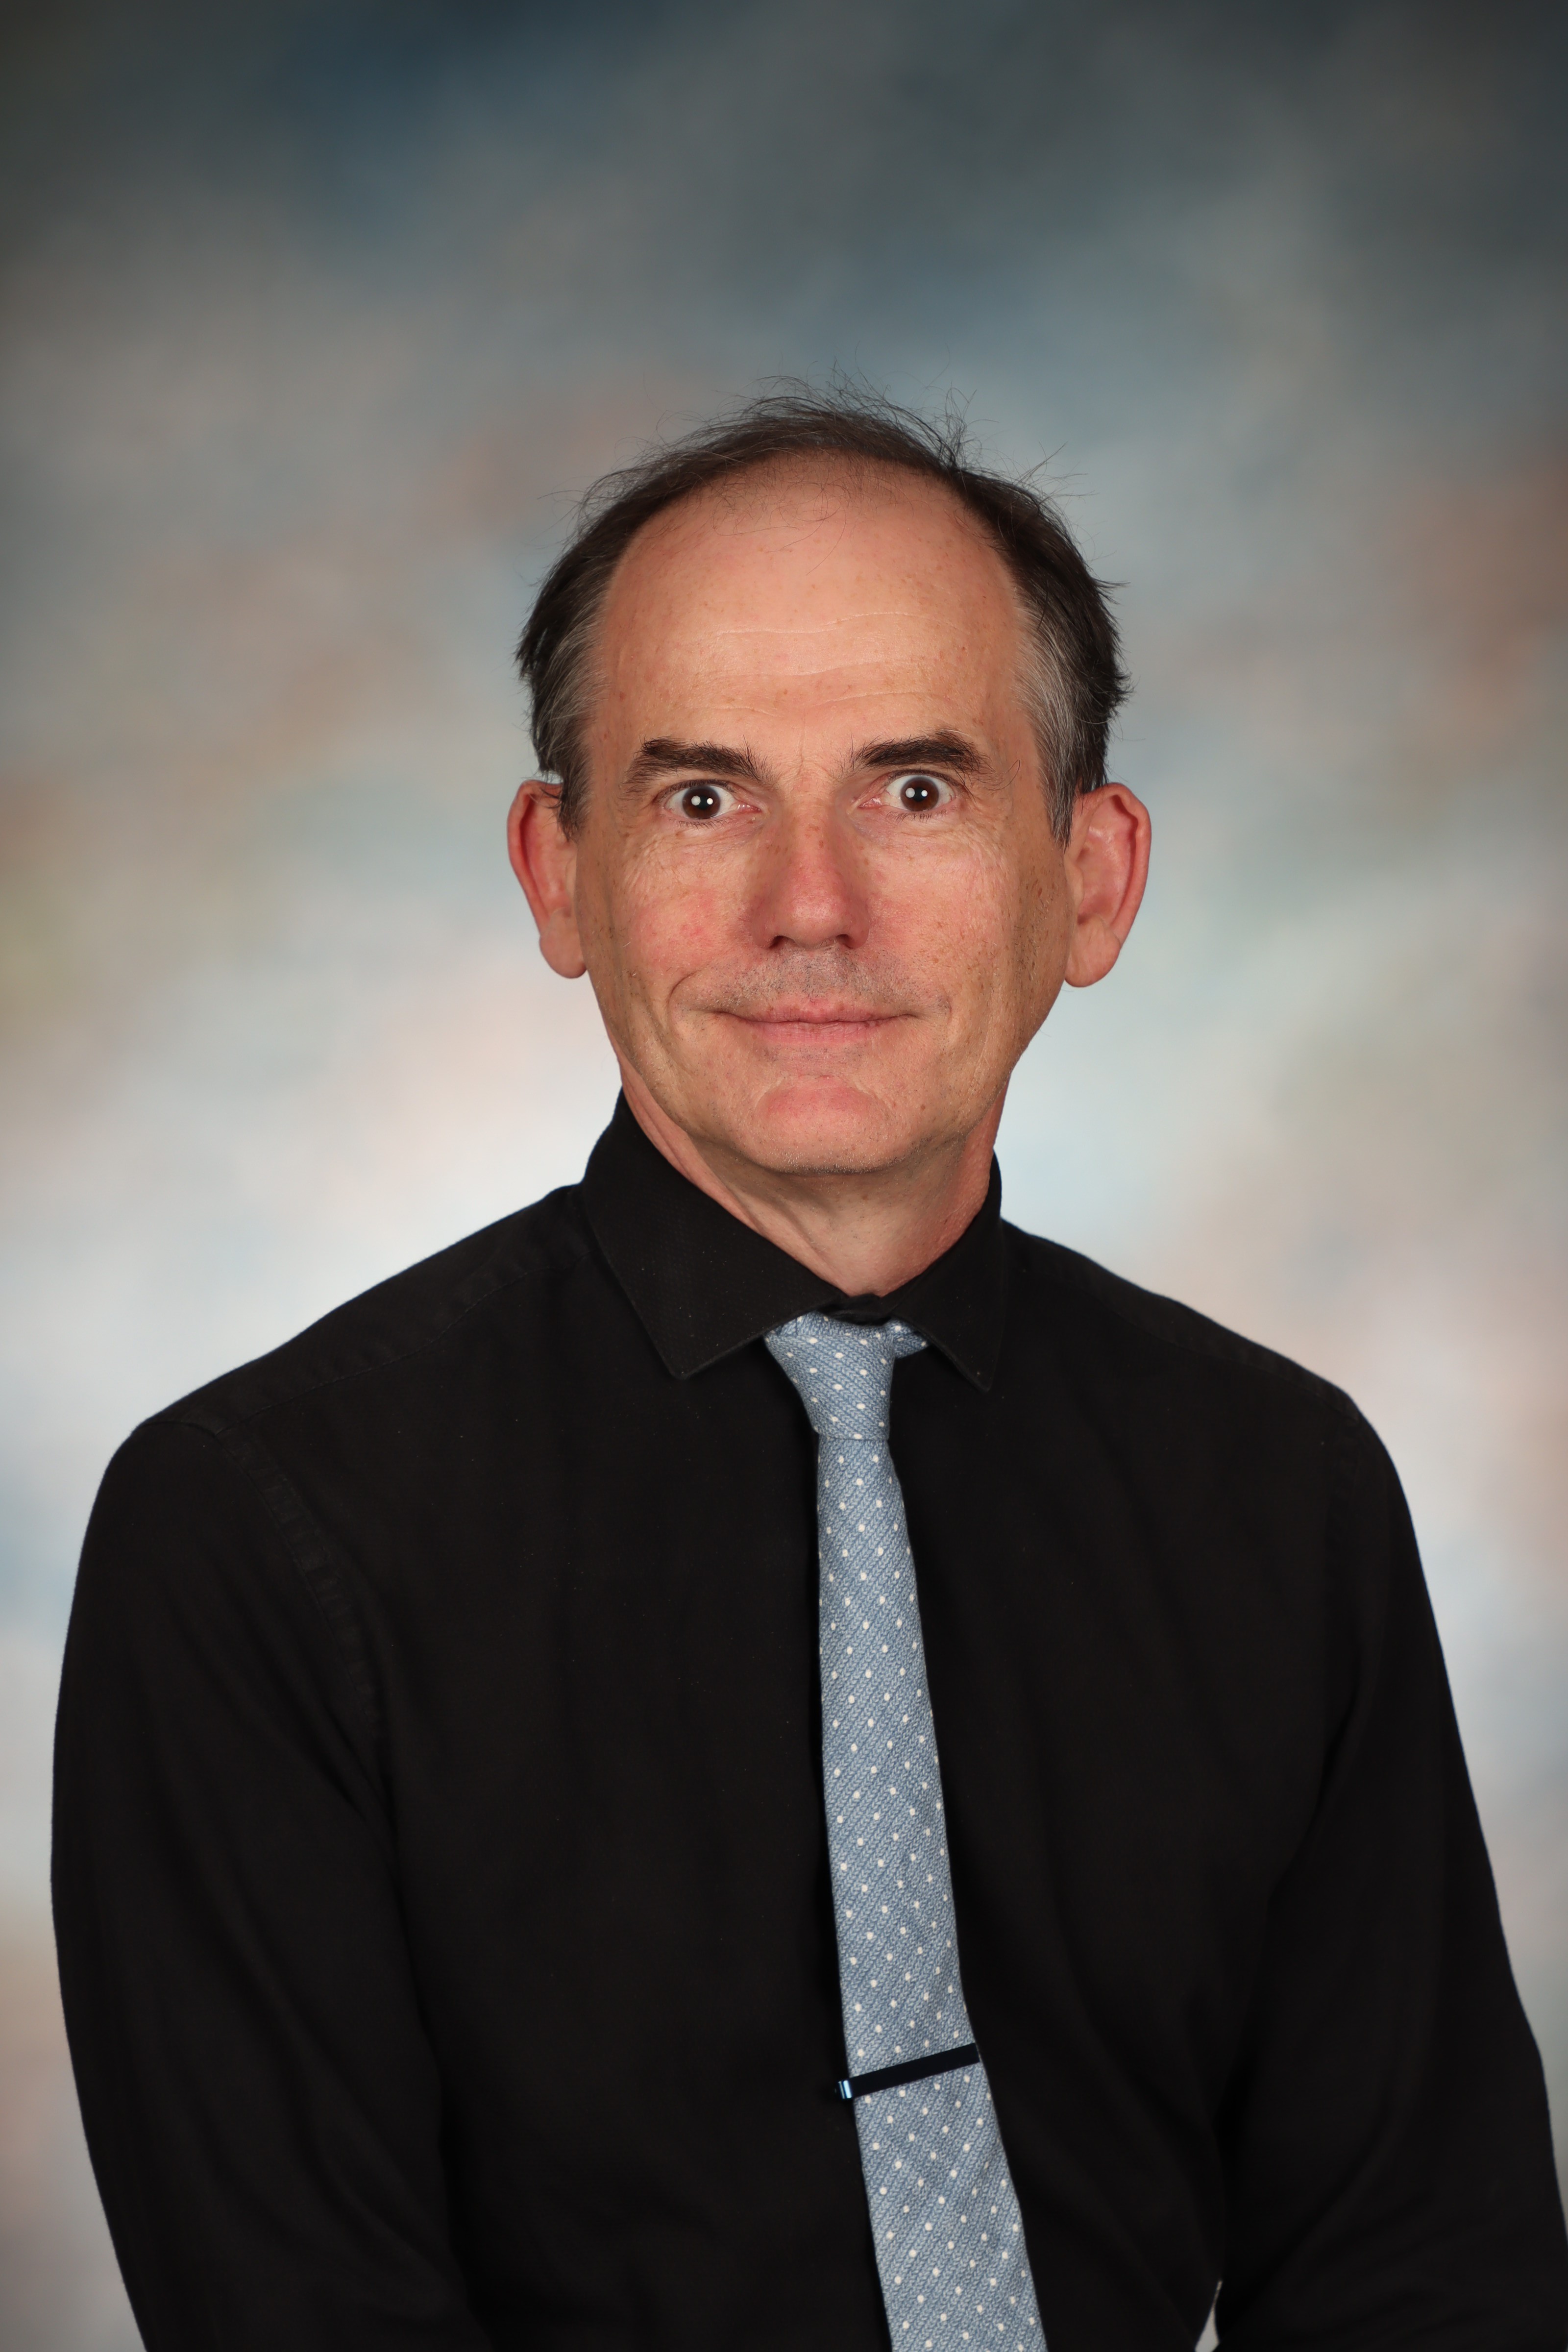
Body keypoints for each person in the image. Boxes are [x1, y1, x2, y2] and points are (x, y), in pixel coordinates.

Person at [53, 391, 1568, 2352]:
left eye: (913, 791)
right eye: (703, 800)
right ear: (560, 875)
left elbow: (1425, 2274)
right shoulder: (256, 1541)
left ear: (1091, 878)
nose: (809, 909)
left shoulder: (1281, 1491)